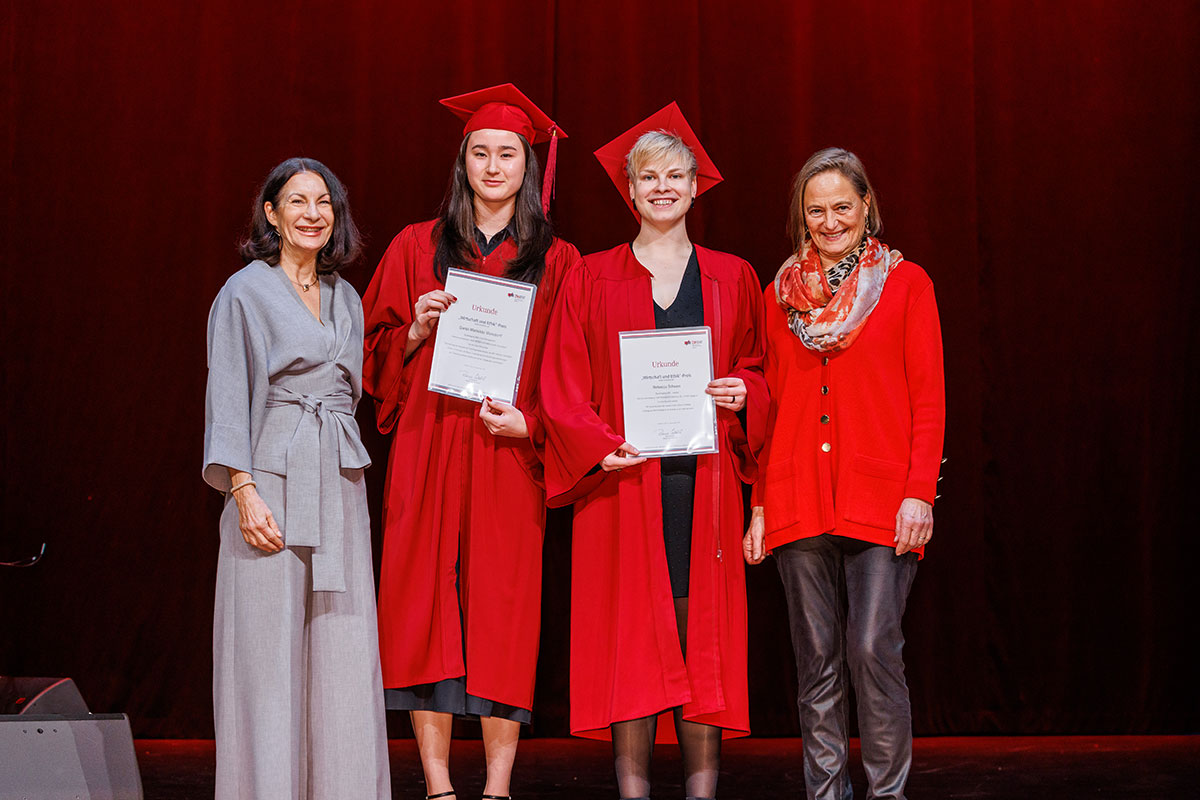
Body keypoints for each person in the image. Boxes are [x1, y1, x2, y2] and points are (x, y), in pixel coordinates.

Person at [540, 103, 767, 800]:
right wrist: (598, 447)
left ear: (696, 186)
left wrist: (743, 392)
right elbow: (561, 384)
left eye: (677, 175)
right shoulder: (591, 276)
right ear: (630, 190)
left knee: (703, 647)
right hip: (622, 486)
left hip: (705, 490)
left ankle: (702, 795)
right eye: (649, 177)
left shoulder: (734, 276)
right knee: (629, 645)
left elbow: (759, 369)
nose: (663, 187)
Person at [361, 84, 582, 800]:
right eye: (481, 153)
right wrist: (416, 331)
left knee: (503, 609)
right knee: (423, 603)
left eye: (508, 153)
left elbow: (575, 372)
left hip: (505, 450)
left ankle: (497, 785)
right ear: (463, 162)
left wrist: (536, 425)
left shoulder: (560, 260)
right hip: (429, 443)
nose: (493, 166)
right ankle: (435, 784)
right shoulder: (410, 246)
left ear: (527, 165)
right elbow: (367, 354)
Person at [743, 147, 945, 800]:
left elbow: (929, 398)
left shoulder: (906, 284)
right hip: (798, 497)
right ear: (802, 217)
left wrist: (919, 494)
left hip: (883, 501)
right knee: (816, 665)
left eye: (842, 207)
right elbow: (770, 405)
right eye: (816, 209)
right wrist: (761, 506)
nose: (830, 221)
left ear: (866, 207)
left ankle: (887, 794)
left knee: (871, 650)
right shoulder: (781, 296)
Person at [202, 157, 390, 799]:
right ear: (272, 215)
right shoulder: (244, 291)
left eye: (325, 203)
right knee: (267, 654)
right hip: (271, 482)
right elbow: (227, 395)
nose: (313, 214)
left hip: (338, 479)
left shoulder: (348, 296)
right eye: (298, 202)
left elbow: (354, 395)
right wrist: (241, 488)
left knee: (342, 645)